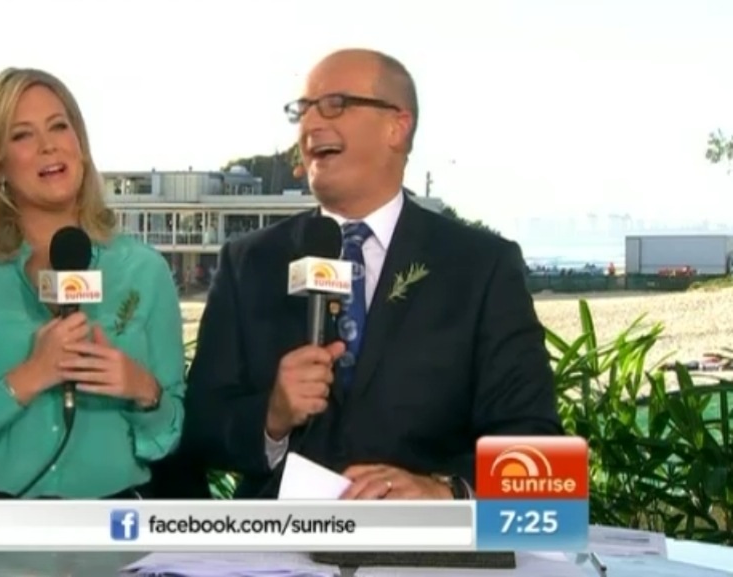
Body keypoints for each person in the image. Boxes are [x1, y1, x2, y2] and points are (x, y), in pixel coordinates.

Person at [182, 49, 561, 500]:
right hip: (280, 538)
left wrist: (447, 493)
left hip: (421, 543)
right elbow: (200, 427)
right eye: (303, 110)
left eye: (334, 104)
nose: (311, 123)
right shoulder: (248, 263)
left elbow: (539, 446)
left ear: (396, 126)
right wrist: (272, 417)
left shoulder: (482, 266)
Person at [0, 68, 185, 500]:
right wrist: (26, 380)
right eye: (22, 135)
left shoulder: (144, 271)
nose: (48, 145)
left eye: (59, 126)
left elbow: (170, 434)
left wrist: (143, 390)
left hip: (112, 525)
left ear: (80, 144)